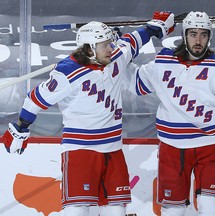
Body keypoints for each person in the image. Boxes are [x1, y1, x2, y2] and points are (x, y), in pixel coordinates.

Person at [2, 12, 175, 216]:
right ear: (90, 48)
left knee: (117, 210)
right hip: (80, 150)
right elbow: (35, 99)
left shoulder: (116, 57)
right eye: (105, 45)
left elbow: (133, 41)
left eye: (111, 43)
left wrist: (156, 27)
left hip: (113, 150)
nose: (111, 48)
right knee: (77, 210)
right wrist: (21, 127)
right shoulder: (67, 73)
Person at [128, 11, 215, 215]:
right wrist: (131, 41)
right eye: (193, 34)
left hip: (209, 148)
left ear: (210, 37)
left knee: (210, 209)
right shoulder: (163, 61)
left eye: (203, 34)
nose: (198, 40)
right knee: (173, 211)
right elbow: (131, 79)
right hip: (171, 149)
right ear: (185, 35)